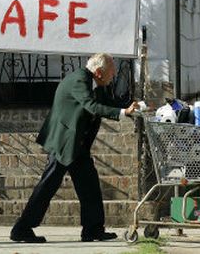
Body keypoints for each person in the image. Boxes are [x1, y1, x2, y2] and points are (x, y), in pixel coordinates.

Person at [10, 53, 139, 243]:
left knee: (89, 186)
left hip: (78, 144)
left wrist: (131, 107)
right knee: (48, 186)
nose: (113, 77)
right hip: (64, 142)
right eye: (111, 73)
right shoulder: (79, 80)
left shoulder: (98, 84)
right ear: (99, 72)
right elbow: (91, 106)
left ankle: (93, 230)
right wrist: (122, 113)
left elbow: (107, 103)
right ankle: (21, 229)